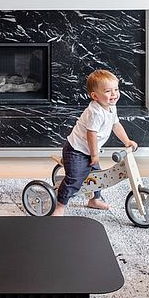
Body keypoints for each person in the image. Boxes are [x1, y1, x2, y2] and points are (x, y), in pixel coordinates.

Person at [52, 69, 138, 217]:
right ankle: (60, 205)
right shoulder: (95, 112)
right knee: (75, 179)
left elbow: (116, 125)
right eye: (108, 91)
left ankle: (94, 200)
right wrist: (94, 155)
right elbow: (91, 134)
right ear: (95, 96)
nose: (114, 94)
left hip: (90, 150)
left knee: (98, 176)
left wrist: (127, 141)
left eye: (116, 89)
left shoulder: (111, 107)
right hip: (76, 150)